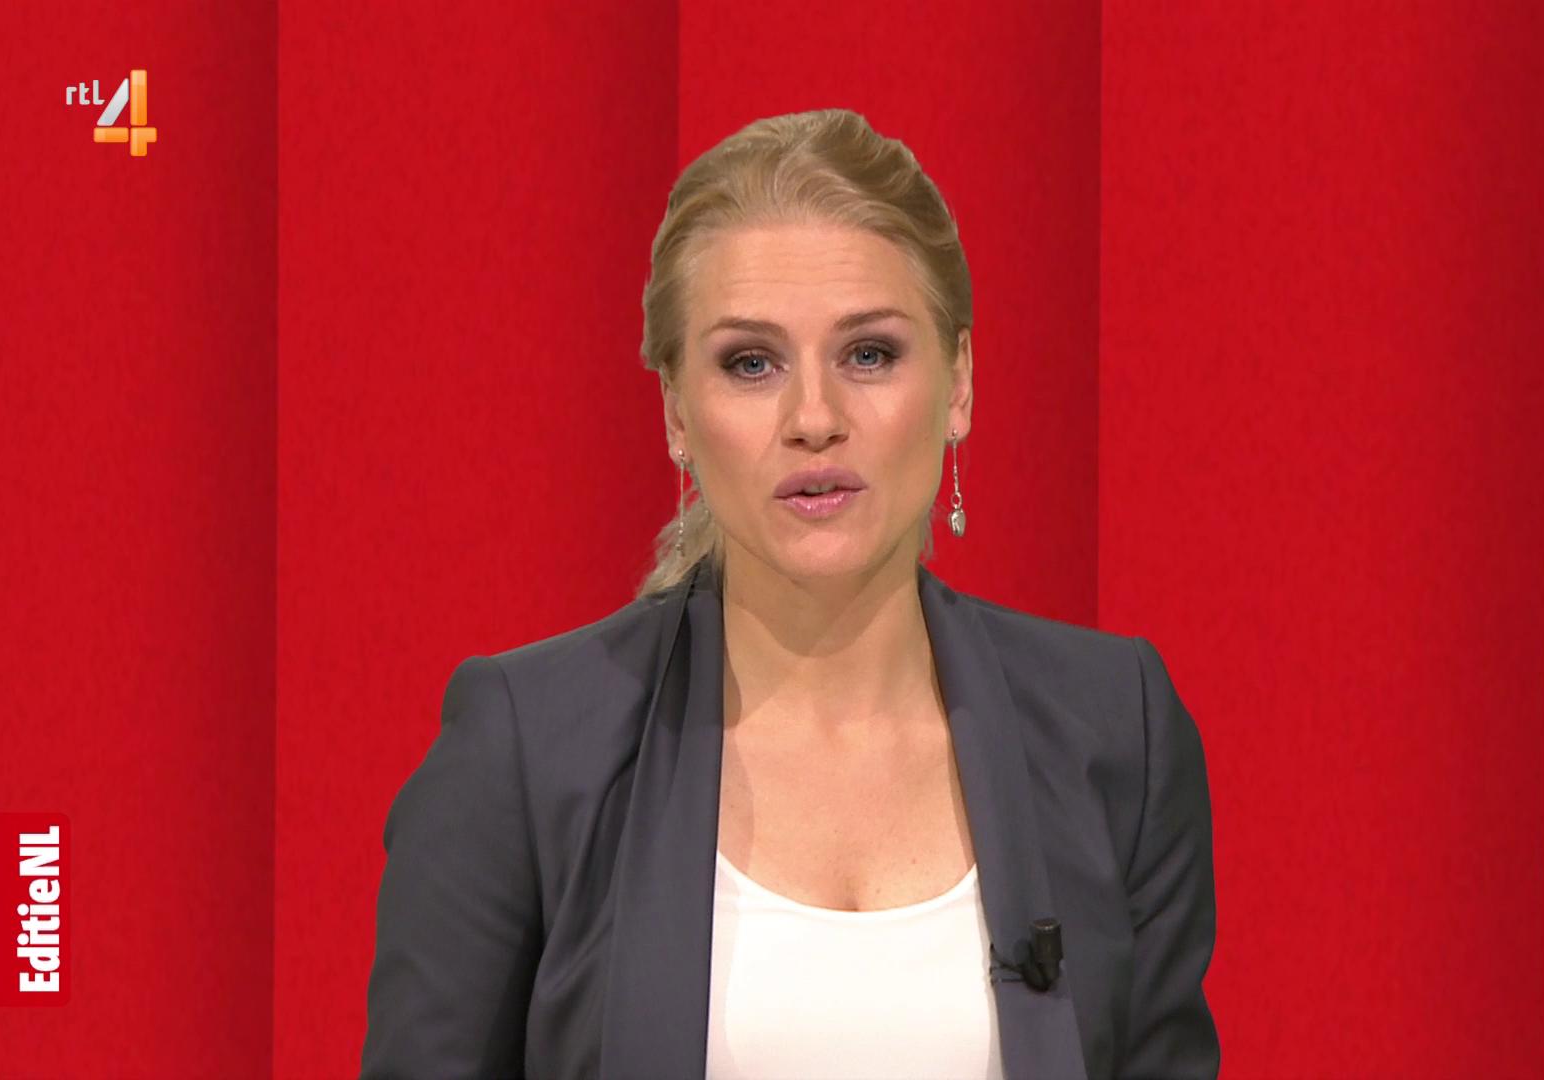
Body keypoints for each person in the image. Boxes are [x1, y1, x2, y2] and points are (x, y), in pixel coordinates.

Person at [361, 107, 1219, 1080]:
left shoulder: (1117, 729)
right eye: (751, 364)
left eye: (870, 354)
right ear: (677, 412)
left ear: (960, 383)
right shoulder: (524, 750)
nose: (814, 417)